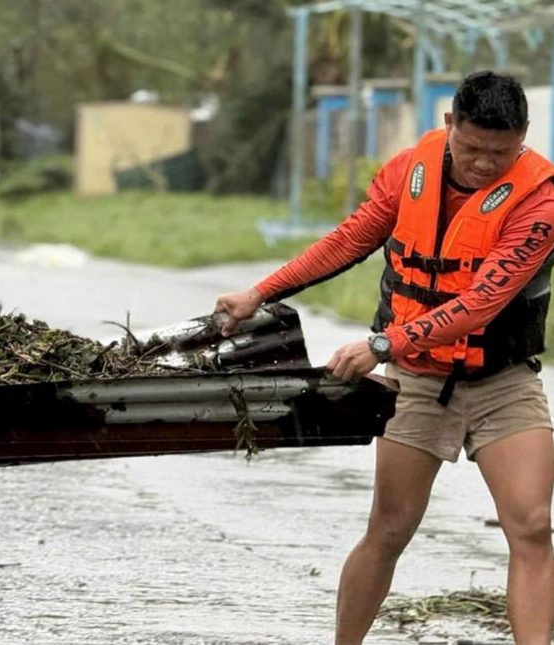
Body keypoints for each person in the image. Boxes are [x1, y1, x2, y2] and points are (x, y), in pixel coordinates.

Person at [215, 71, 554, 644]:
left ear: (522, 136)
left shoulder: (541, 199)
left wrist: (381, 345)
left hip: (503, 384)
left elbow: (480, 303)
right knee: (389, 528)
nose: (483, 164)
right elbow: (348, 240)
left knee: (533, 527)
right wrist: (260, 293)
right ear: (450, 126)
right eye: (471, 148)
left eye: (501, 152)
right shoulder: (409, 171)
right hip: (419, 381)